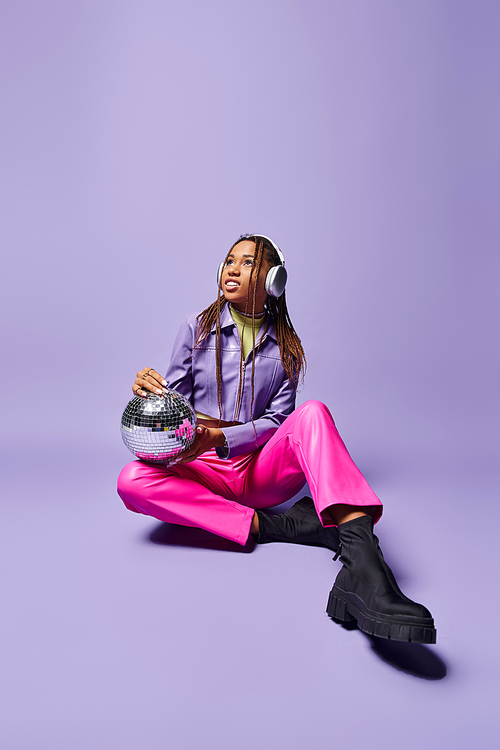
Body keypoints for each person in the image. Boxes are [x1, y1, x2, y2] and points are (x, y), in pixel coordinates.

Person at [117, 234, 436, 644]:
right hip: (199, 466)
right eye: (229, 261)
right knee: (131, 480)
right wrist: (152, 394)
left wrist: (222, 437)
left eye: (246, 262)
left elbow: (278, 421)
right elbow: (174, 400)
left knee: (313, 413)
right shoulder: (195, 328)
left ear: (273, 279)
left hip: (257, 471)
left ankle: (366, 569)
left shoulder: (287, 348)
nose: (232, 268)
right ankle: (279, 526)